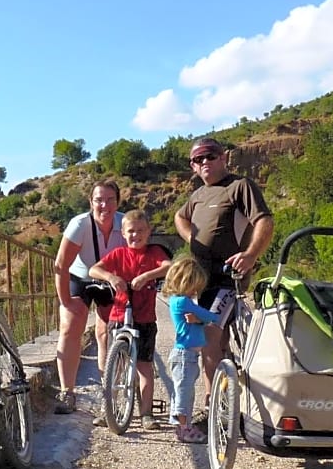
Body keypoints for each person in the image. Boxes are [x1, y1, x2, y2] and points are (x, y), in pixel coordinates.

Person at [174, 137, 274, 427]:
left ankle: (213, 408)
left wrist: (251, 255)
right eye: (197, 159)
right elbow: (180, 216)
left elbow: (264, 221)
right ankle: (225, 399)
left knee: (209, 337)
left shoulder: (239, 186)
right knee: (217, 343)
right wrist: (190, 237)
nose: (204, 162)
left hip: (228, 279)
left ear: (223, 158)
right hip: (203, 282)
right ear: (193, 166)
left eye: (210, 156)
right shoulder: (198, 195)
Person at [88, 209, 172, 429]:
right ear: (123, 234)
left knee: (144, 367)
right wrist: (111, 277)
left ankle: (146, 414)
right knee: (115, 366)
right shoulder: (118, 254)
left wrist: (146, 276)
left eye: (141, 231)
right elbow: (94, 270)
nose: (136, 235)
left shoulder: (154, 252)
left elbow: (168, 266)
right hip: (119, 315)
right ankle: (110, 410)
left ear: (149, 231)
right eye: (131, 231)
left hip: (144, 318)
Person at [53, 179, 126, 414]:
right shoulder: (80, 225)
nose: (104, 205)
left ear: (118, 202)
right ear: (90, 202)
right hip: (80, 278)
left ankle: (108, 393)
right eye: (98, 200)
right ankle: (68, 392)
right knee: (70, 328)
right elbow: (61, 265)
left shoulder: (125, 224)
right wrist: (65, 301)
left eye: (110, 200)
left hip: (109, 278)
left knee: (108, 332)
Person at [162, 256, 220, 444]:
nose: (196, 290)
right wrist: (203, 318)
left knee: (183, 390)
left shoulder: (176, 300)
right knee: (184, 392)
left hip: (187, 355)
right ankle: (184, 427)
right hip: (185, 355)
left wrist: (198, 320)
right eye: (195, 285)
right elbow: (212, 317)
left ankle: (181, 425)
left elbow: (201, 318)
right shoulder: (183, 302)